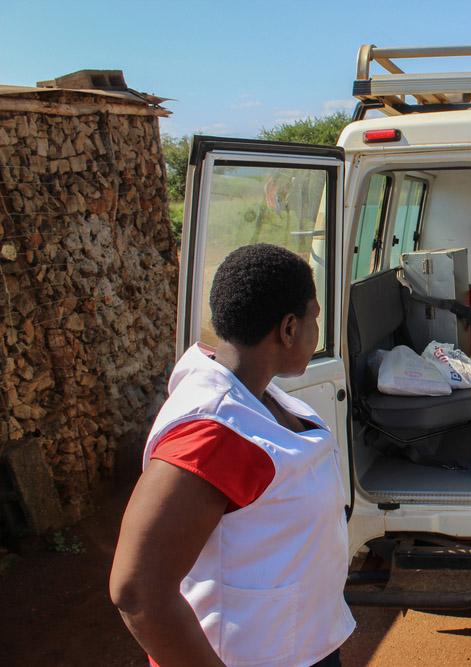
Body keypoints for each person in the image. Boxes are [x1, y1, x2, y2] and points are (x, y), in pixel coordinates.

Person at [110, 244, 354, 667]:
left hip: (301, 643)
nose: (318, 328)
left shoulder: (255, 393)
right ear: (289, 329)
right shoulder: (212, 434)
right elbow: (138, 591)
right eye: (315, 316)